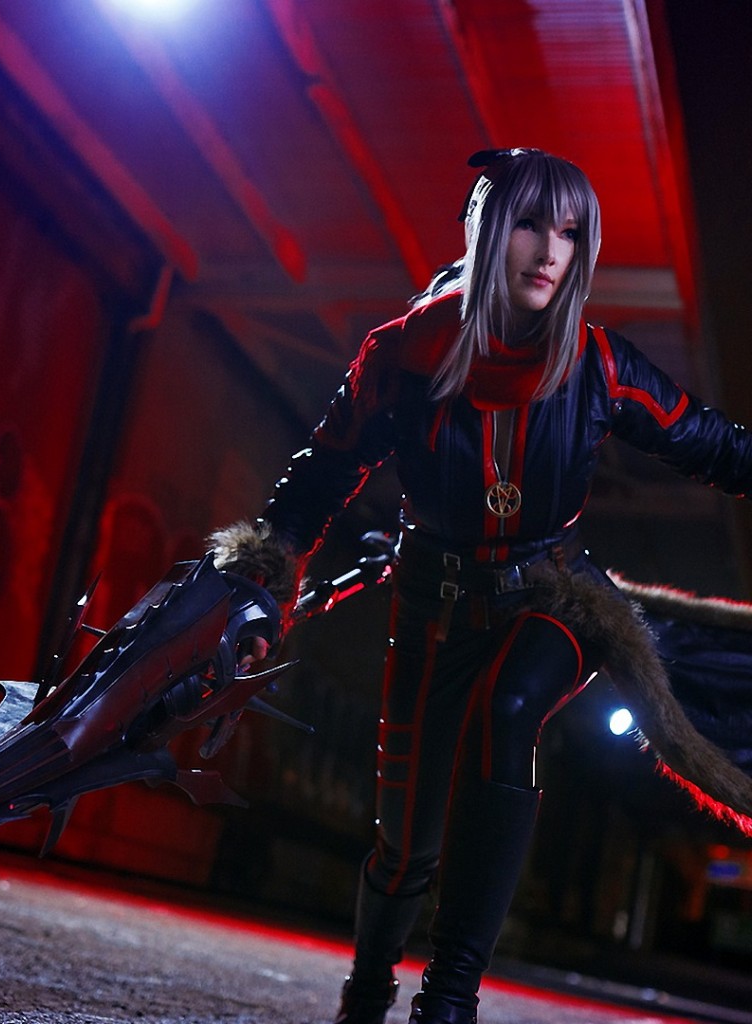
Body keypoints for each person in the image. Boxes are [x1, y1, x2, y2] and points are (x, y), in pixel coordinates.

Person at [208, 148, 752, 1024]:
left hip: (556, 596)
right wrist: (263, 581)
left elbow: (717, 446)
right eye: (530, 224)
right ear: (487, 229)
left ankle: (449, 1002)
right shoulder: (404, 353)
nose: (549, 251)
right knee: (404, 845)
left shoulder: (599, 364)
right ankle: (369, 990)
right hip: (433, 605)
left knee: (510, 709)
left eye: (569, 232)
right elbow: (321, 475)